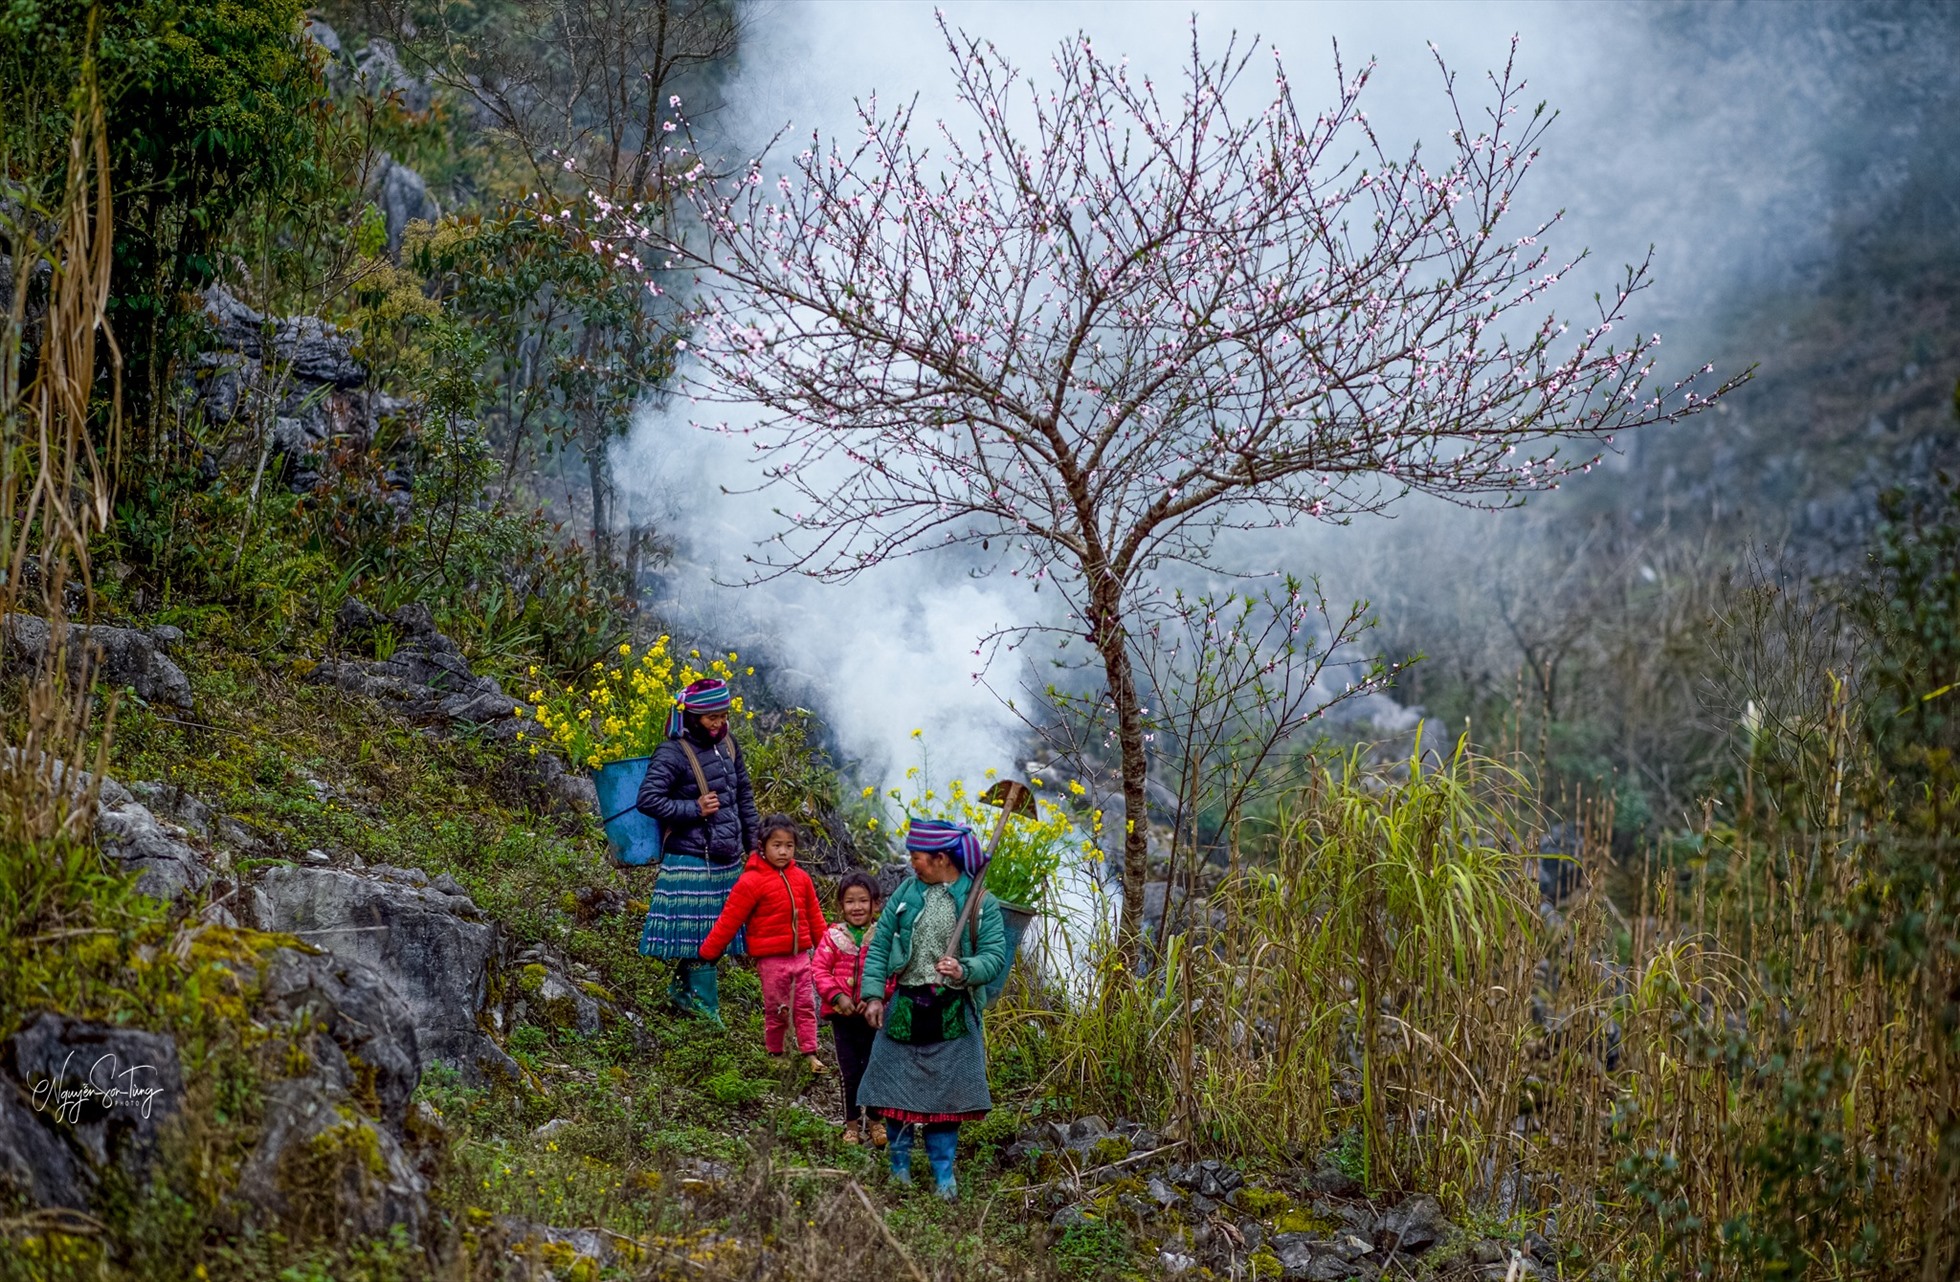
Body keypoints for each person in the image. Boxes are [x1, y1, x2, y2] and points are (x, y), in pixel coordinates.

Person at [856, 819, 1008, 1199]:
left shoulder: (979, 902)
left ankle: (944, 1177)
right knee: (893, 1095)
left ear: (941, 858)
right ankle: (899, 1169)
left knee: (948, 1100)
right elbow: (878, 947)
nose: (912, 864)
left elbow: (994, 957)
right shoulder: (907, 893)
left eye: (917, 857)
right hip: (905, 1007)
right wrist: (874, 995)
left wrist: (964, 968)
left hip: (953, 1010)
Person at [635, 677, 760, 1021]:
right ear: (692, 716)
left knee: (716, 934)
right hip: (691, 857)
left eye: (723, 716)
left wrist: (754, 845)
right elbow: (647, 800)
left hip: (726, 855)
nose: (719, 723)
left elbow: (744, 798)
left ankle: (681, 991)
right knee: (706, 937)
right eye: (712, 718)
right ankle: (706, 1010)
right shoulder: (672, 751)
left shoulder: (730, 746)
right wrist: (694, 808)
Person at [698, 815, 828, 1071]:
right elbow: (729, 919)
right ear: (762, 846)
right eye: (776, 845)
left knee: (805, 1006)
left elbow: (815, 919)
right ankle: (777, 1054)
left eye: (789, 845)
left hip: (801, 957)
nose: (783, 851)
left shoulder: (801, 878)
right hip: (771, 960)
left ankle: (809, 1054)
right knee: (777, 1008)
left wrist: (827, 953)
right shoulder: (751, 881)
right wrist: (708, 952)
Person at [813, 870, 886, 1146]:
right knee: (850, 1071)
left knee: (875, 1068)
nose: (857, 907)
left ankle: (876, 1121)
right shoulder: (834, 937)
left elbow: (890, 974)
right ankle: (852, 1125)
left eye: (863, 901)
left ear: (875, 904)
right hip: (842, 1017)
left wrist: (875, 996)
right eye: (850, 902)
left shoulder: (881, 937)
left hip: (872, 1016)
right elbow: (819, 969)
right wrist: (837, 997)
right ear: (840, 906)